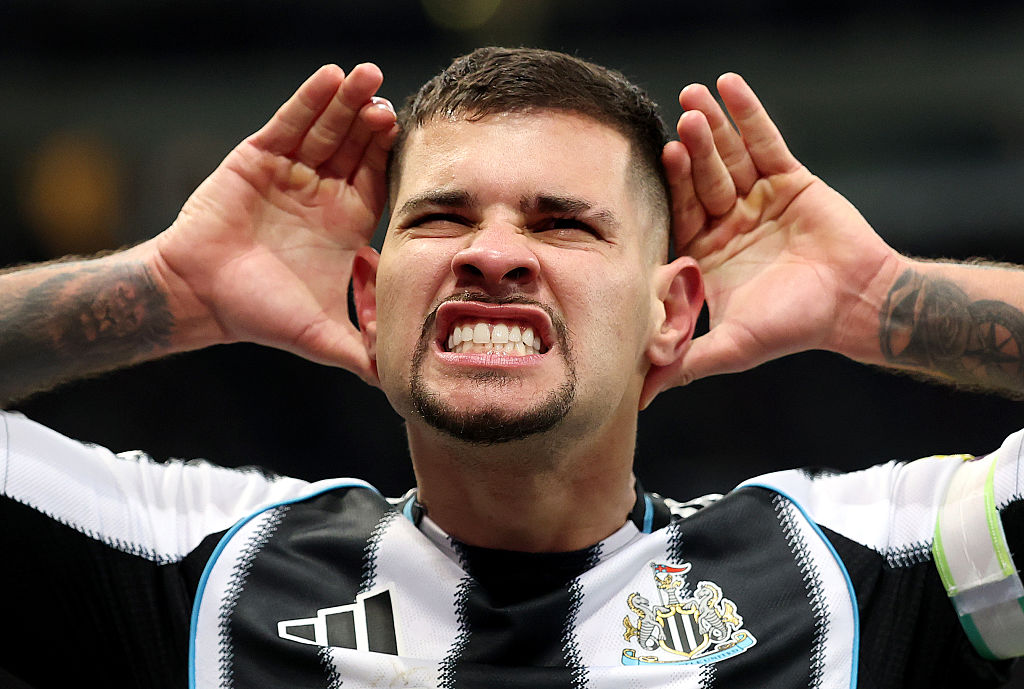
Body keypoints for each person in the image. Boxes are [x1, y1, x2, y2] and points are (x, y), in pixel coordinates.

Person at [2, 47, 1023, 689]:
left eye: (563, 223)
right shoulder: (200, 568)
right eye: (443, 216)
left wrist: (884, 305)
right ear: (369, 296)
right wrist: (165, 290)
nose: (490, 253)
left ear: (669, 312)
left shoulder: (858, 568)